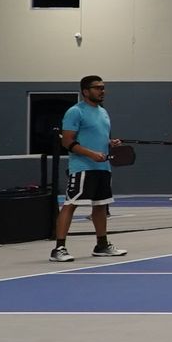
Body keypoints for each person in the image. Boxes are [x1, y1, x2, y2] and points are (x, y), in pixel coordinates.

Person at [50, 74, 128, 262]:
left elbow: (98, 137)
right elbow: (67, 142)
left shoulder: (103, 112)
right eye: (97, 87)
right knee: (70, 204)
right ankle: (59, 248)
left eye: (103, 87)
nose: (102, 91)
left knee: (100, 206)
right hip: (82, 167)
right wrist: (91, 154)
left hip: (103, 167)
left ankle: (102, 245)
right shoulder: (75, 112)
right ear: (86, 91)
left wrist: (110, 143)